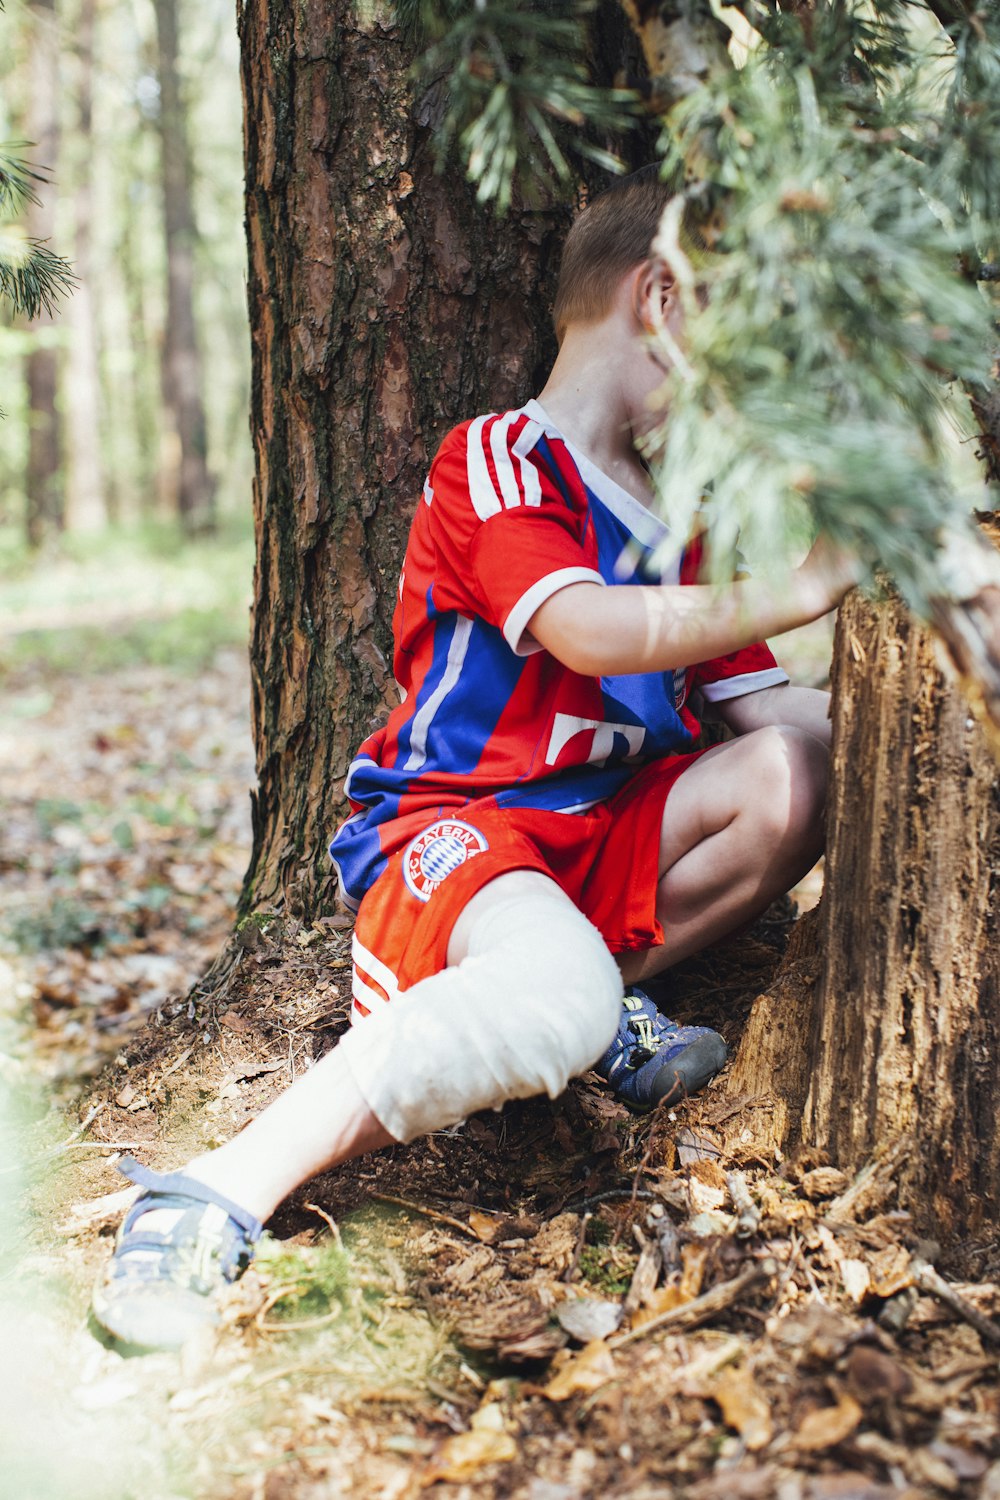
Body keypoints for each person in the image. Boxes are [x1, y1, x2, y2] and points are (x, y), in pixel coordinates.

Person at [91, 167, 857, 1351]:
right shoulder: (498, 458)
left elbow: (788, 727)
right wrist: (800, 586)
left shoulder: (680, 522)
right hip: (455, 835)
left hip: (597, 840)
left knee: (796, 777)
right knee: (555, 994)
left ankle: (596, 1000)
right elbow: (585, 627)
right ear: (657, 296)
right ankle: (212, 1190)